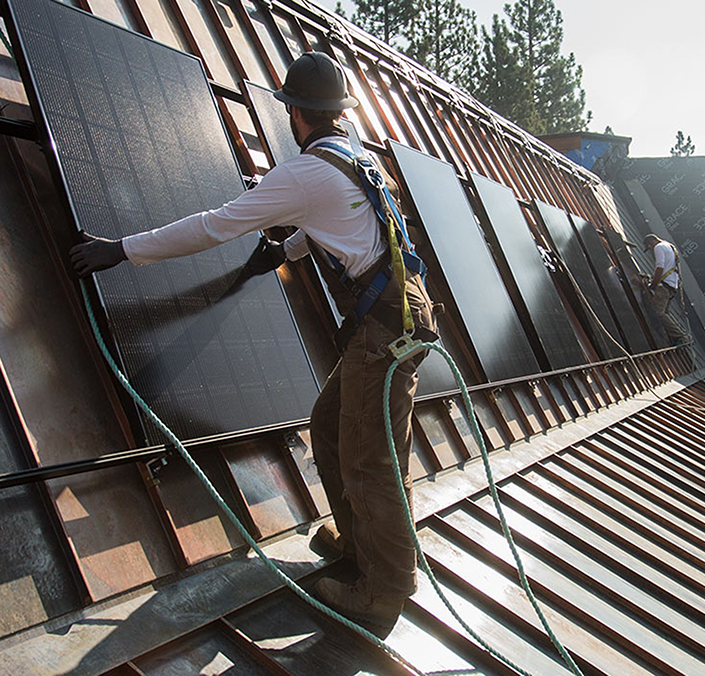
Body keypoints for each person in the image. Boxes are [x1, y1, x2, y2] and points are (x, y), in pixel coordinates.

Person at [70, 51, 438, 638]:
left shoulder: (303, 173)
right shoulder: (355, 156)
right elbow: (343, 221)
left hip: (384, 332)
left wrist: (123, 249)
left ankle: (383, 588)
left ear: (295, 115)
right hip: (399, 314)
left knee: (371, 458)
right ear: (336, 112)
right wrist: (286, 251)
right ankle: (358, 545)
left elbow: (216, 224)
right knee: (330, 424)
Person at [643, 233, 690, 346]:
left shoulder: (659, 247)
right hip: (672, 286)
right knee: (665, 314)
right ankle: (674, 338)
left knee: (658, 312)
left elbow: (660, 267)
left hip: (664, 286)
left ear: (652, 242)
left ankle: (681, 337)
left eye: (649, 247)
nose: (651, 250)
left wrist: (653, 284)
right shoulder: (669, 246)